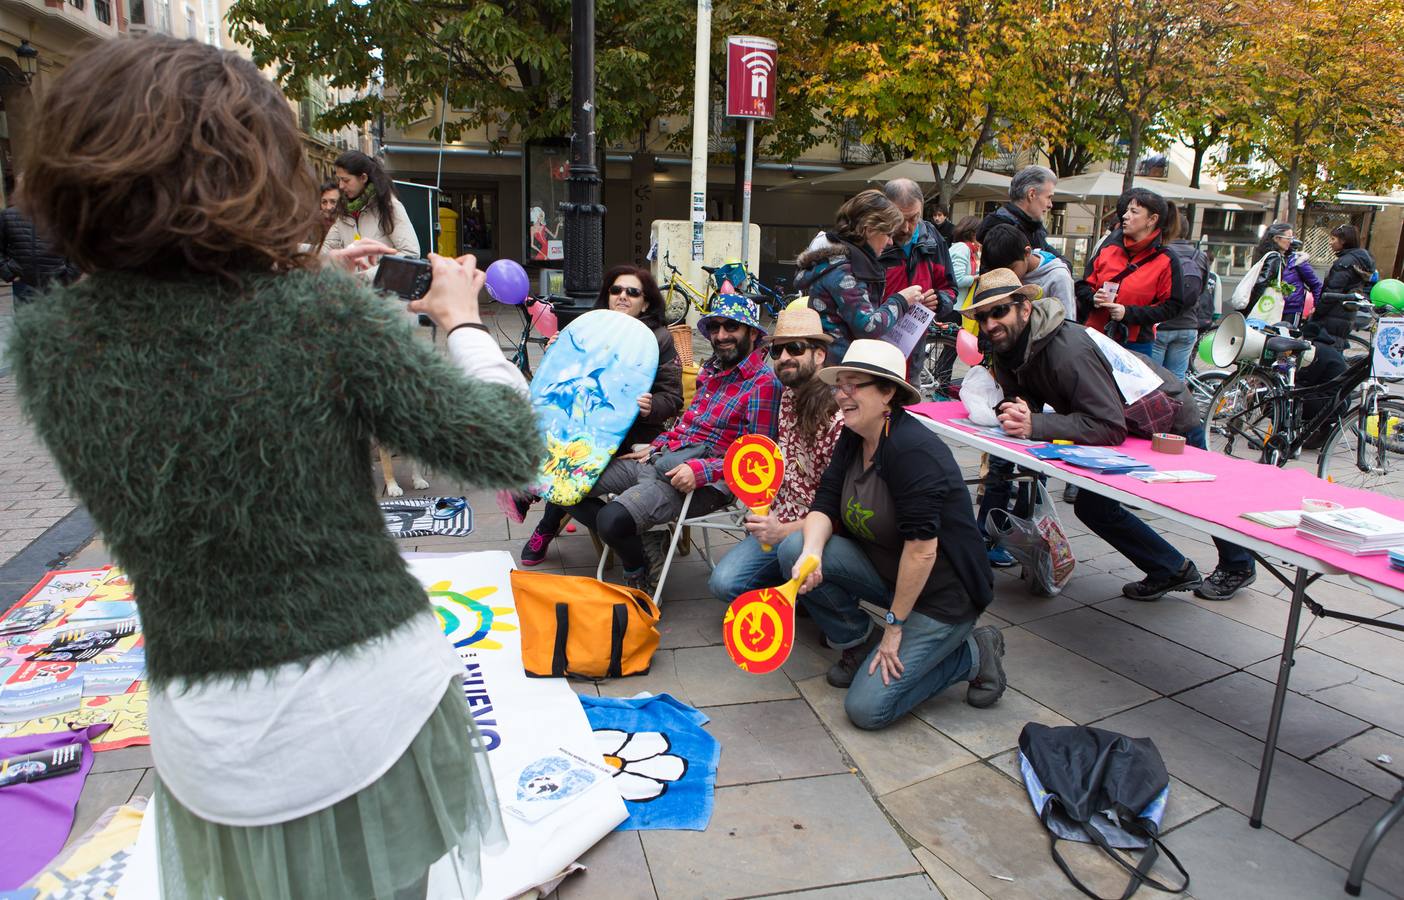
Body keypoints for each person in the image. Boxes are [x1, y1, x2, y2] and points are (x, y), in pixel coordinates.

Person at [9, 37, 544, 899]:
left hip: (203, 737)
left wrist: (301, 276)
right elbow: (506, 446)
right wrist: (463, 322)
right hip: (368, 709)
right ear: (248, 169)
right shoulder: (320, 319)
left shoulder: (45, 346)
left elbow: (187, 350)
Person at [967, 268, 1257, 602]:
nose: (990, 324)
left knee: (1198, 497)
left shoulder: (1068, 351)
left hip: (1168, 416)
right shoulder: (1008, 345)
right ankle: (1171, 569)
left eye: (999, 311)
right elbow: (1027, 400)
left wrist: (1036, 424)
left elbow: (1108, 426)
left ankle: (1239, 564)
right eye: (983, 316)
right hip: (1127, 422)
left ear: (1025, 309)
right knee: (1094, 508)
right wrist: (1013, 409)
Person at [779, 340, 1002, 729]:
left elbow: (922, 551)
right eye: (839, 385)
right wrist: (812, 553)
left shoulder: (911, 450)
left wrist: (895, 627)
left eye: (854, 385)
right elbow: (825, 504)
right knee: (794, 547)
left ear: (888, 393)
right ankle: (860, 641)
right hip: (887, 573)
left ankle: (975, 653)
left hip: (941, 596)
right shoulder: (854, 435)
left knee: (867, 710)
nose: (842, 395)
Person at [564, 295, 781, 593]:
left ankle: (637, 565)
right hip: (664, 458)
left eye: (731, 327)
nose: (721, 335)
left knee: (611, 520)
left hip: (703, 484)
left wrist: (701, 471)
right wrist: (658, 443)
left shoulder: (763, 384)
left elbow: (757, 461)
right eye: (715, 327)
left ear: (753, 333)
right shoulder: (712, 370)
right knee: (563, 484)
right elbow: (688, 425)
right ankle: (644, 543)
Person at [520, 264, 684, 565]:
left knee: (569, 470)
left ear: (645, 302)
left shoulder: (658, 339)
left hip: (634, 435)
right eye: (616, 290)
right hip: (584, 427)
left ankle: (549, 524)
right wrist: (558, 354)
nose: (623, 296)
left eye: (633, 292)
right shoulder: (588, 329)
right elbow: (562, 386)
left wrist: (652, 406)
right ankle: (543, 510)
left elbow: (673, 398)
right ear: (607, 296)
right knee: (551, 457)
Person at [707, 306, 842, 601]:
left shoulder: (837, 416)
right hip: (778, 520)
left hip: (819, 533)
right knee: (722, 584)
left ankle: (842, 620)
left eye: (794, 348)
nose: (783, 358)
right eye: (777, 351)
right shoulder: (788, 395)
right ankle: (793, 589)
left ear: (819, 355)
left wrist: (783, 531)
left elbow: (841, 510)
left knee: (790, 554)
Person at [794, 190, 942, 363]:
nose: (890, 242)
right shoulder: (846, 270)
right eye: (888, 234)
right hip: (839, 371)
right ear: (869, 229)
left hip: (836, 365)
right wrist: (901, 300)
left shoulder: (844, 262)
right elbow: (868, 327)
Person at [1082, 189, 1184, 357]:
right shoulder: (1109, 248)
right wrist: (1092, 298)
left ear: (1152, 220)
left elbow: (1172, 307)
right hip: (1094, 336)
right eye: (1127, 210)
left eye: (1134, 211)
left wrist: (1128, 313)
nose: (1125, 216)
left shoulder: (1166, 260)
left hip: (1135, 345)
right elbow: (1083, 286)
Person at [323, 149, 420, 258]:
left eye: (346, 180)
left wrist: (367, 275)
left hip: (378, 275)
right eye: (339, 180)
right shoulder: (344, 211)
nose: (340, 186)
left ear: (363, 178)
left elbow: (410, 254)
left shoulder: (389, 206)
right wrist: (299, 248)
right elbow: (326, 250)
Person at [1154, 216, 1213, 381]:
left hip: (1160, 324)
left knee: (1153, 377)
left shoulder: (1160, 252)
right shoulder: (1200, 256)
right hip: (1188, 324)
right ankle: (1176, 406)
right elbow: (1202, 289)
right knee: (1177, 378)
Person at [978, 222, 1076, 321]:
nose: (1005, 276)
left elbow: (1067, 321)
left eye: (1011, 269)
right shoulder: (1016, 268)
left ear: (1027, 253)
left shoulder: (1058, 277)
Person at [0, 199, 79, 304]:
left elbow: (78, 250)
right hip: (23, 283)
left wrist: (68, 277)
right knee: (25, 320)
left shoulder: (65, 216)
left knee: (57, 319)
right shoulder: (8, 216)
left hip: (57, 284)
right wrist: (8, 272)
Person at [1251, 222, 1322, 325]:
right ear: (1276, 238)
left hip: (1290, 311)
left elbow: (1316, 285)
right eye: (1288, 237)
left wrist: (1316, 308)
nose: (1291, 241)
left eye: (1291, 238)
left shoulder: (1297, 261)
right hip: (1267, 307)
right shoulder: (1266, 257)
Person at [1314, 224, 1376, 339]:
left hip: (1334, 315)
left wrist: (1317, 313)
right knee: (1337, 345)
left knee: (1329, 349)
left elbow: (1332, 293)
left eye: (1333, 239)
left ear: (1343, 241)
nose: (1330, 242)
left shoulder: (1344, 263)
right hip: (1347, 313)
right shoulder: (1359, 260)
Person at [976, 165, 1056, 251]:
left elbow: (1061, 260)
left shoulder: (1033, 228)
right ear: (1031, 194)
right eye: (1048, 197)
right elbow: (1031, 262)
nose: (1050, 205)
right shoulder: (1002, 231)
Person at [948, 215, 982, 304]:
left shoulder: (967, 248)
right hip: (955, 305)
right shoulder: (962, 248)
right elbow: (957, 279)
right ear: (973, 233)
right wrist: (977, 278)